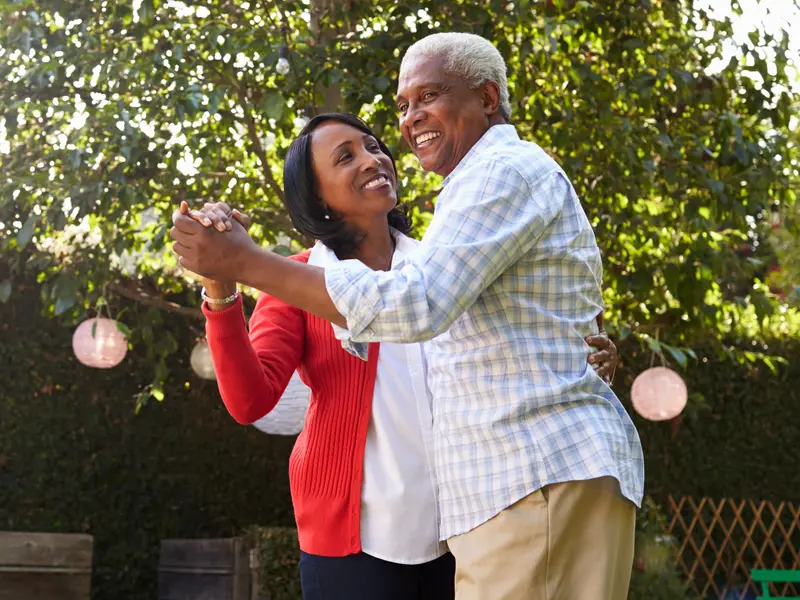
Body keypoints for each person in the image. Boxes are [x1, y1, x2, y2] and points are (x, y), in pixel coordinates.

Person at [171, 32, 645, 600]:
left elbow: (435, 307)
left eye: (372, 145)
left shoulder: (439, 259)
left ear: (487, 99)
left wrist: (579, 351)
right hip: (364, 538)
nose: (376, 155)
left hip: (461, 518)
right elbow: (251, 400)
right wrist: (224, 287)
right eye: (346, 156)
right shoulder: (299, 278)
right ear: (318, 196)